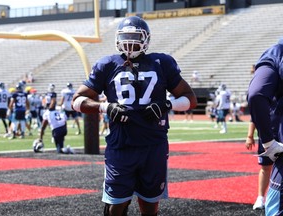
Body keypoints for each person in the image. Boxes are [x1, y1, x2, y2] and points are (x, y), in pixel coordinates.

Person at [71, 16, 197, 216]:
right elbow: (77, 101)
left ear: (146, 39)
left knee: (149, 205)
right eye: (126, 36)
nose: (130, 41)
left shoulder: (161, 62)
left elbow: (190, 98)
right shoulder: (108, 64)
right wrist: (105, 107)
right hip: (121, 146)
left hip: (153, 145)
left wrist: (166, 104)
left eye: (135, 36)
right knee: (115, 206)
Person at [247, 38, 283, 215]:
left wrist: (268, 141)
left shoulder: (277, 53)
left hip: (275, 134)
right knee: (265, 167)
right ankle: (259, 196)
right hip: (271, 129)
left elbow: (256, 95)